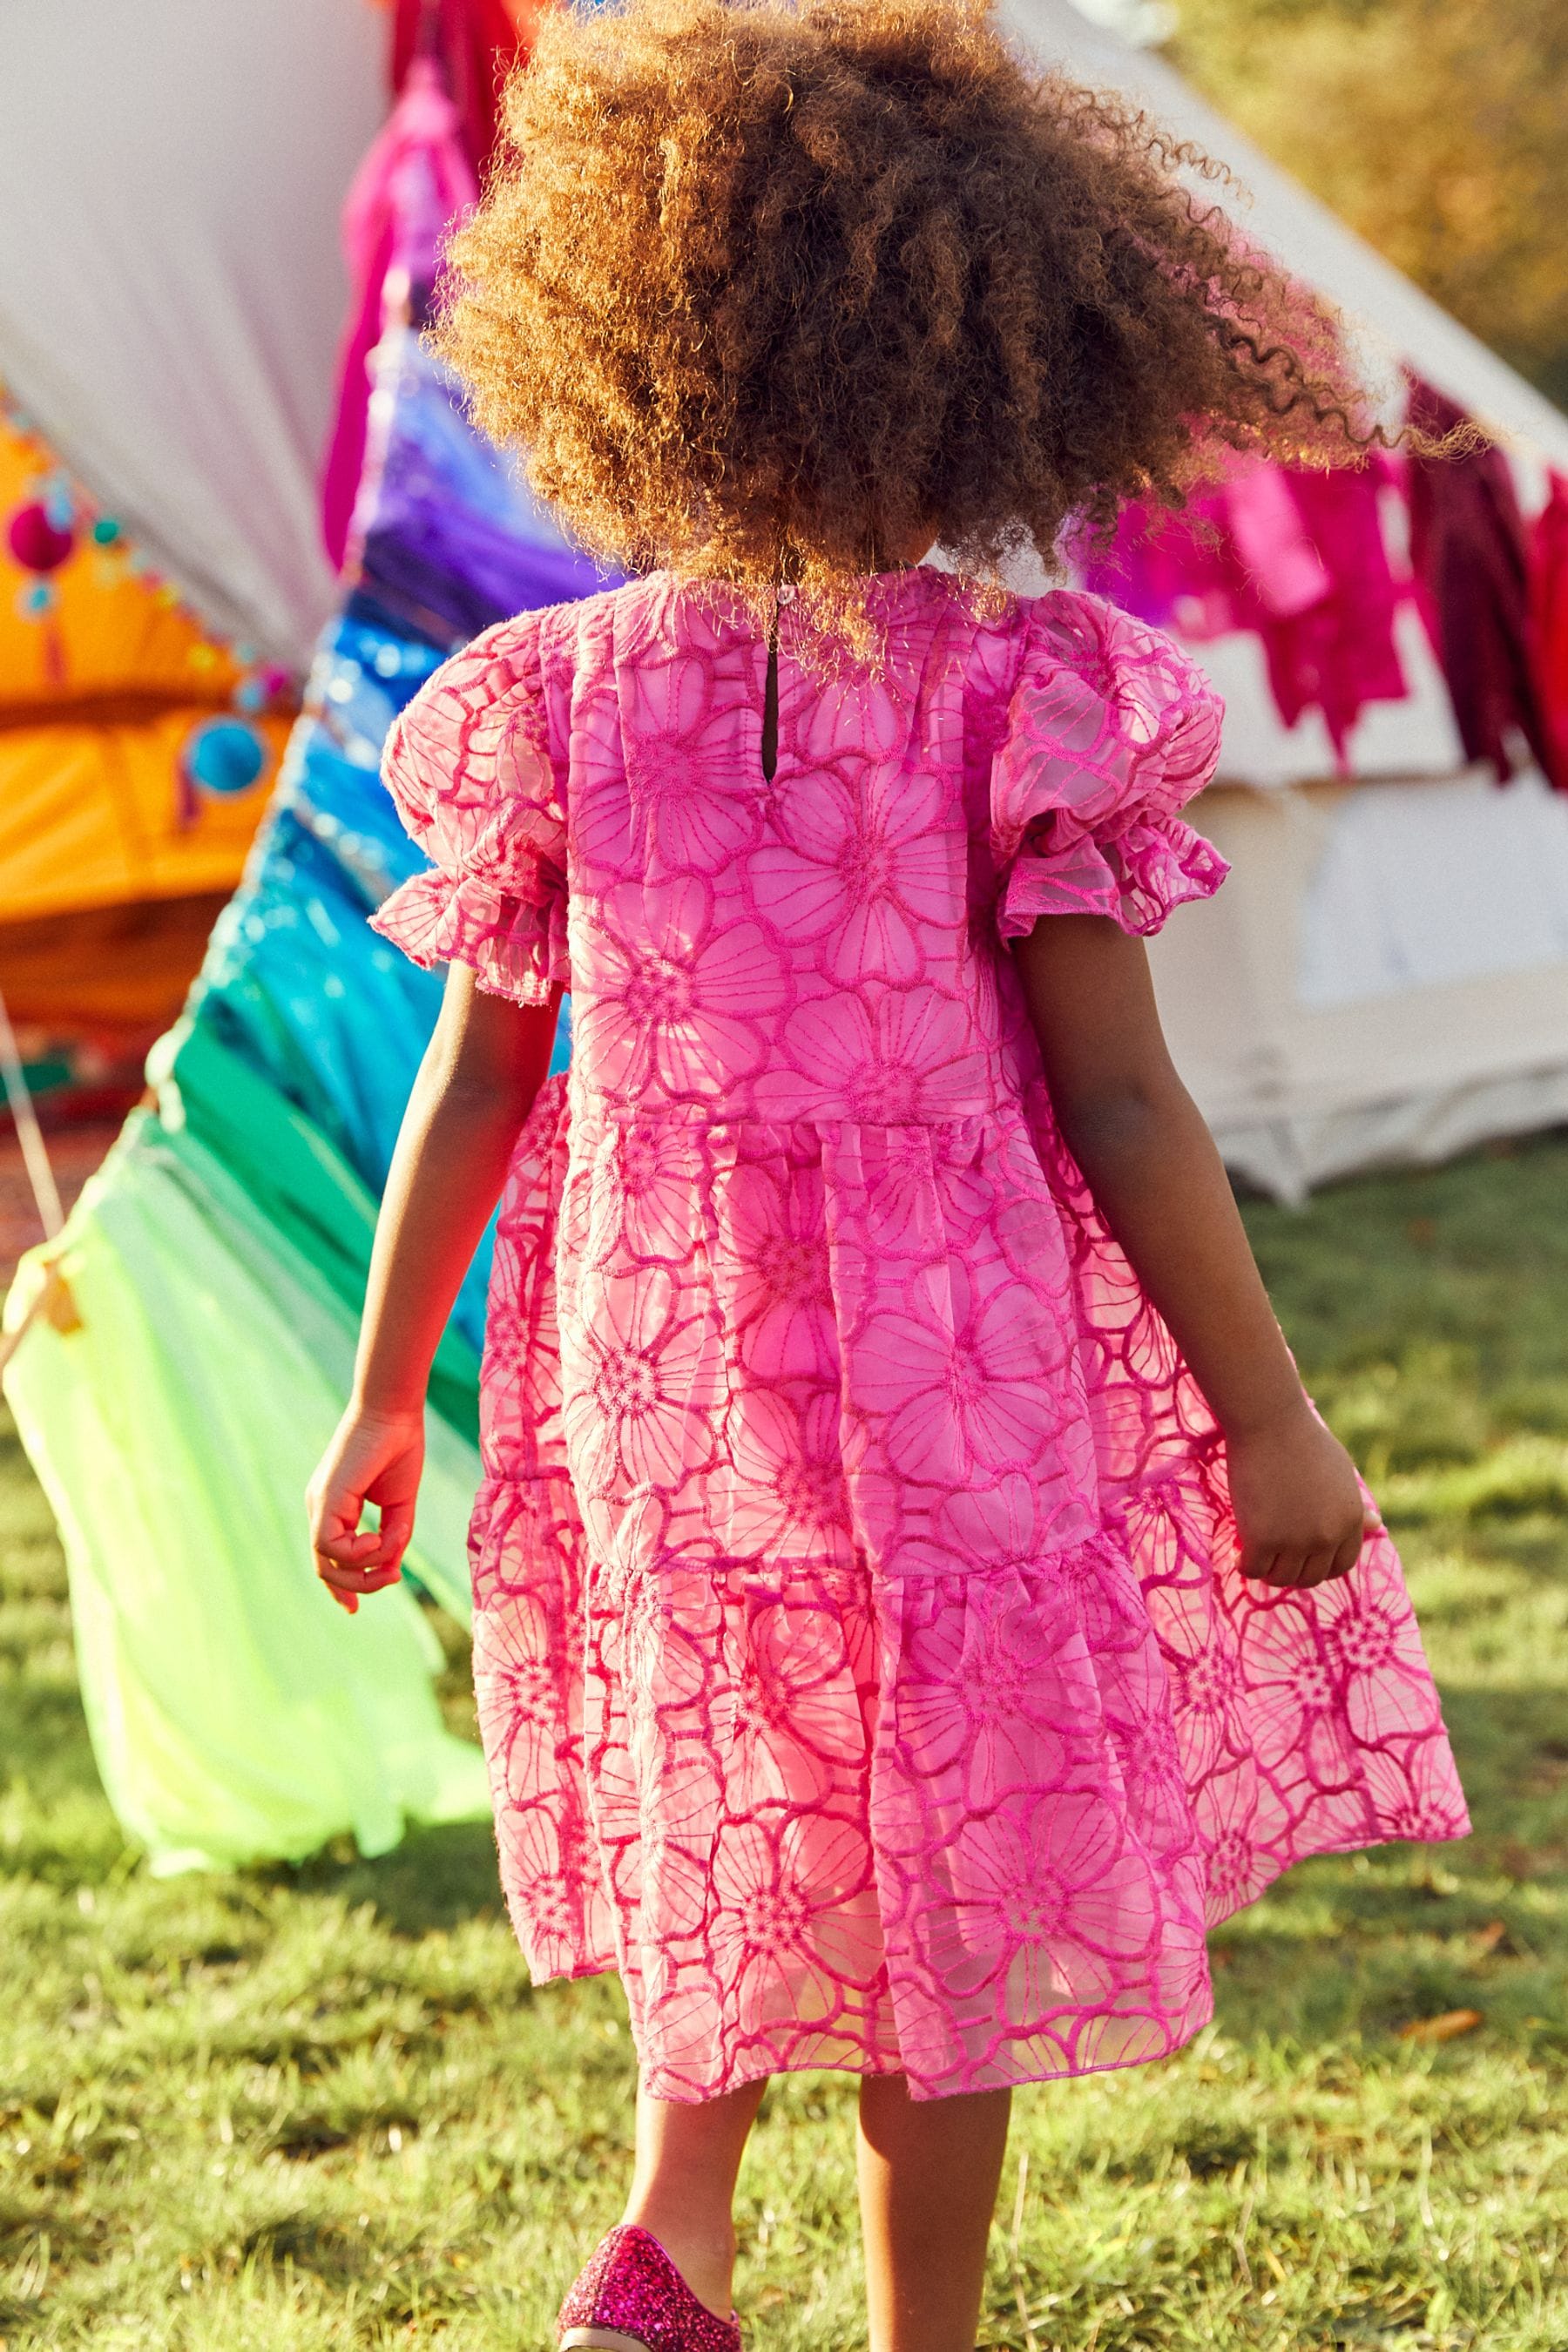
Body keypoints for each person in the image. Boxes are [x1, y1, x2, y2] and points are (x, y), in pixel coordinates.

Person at [307, 3, 1469, 2345]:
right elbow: (1126, 1101)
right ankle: (905, 2328)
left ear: (642, 357)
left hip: (666, 1353)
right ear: (1000, 364)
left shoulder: (560, 693)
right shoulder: (1012, 689)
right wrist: (1268, 1409)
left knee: (727, 1754)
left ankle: (681, 2228)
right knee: (946, 1833)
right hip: (957, 1368)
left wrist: (379, 1388)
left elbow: (477, 1081)